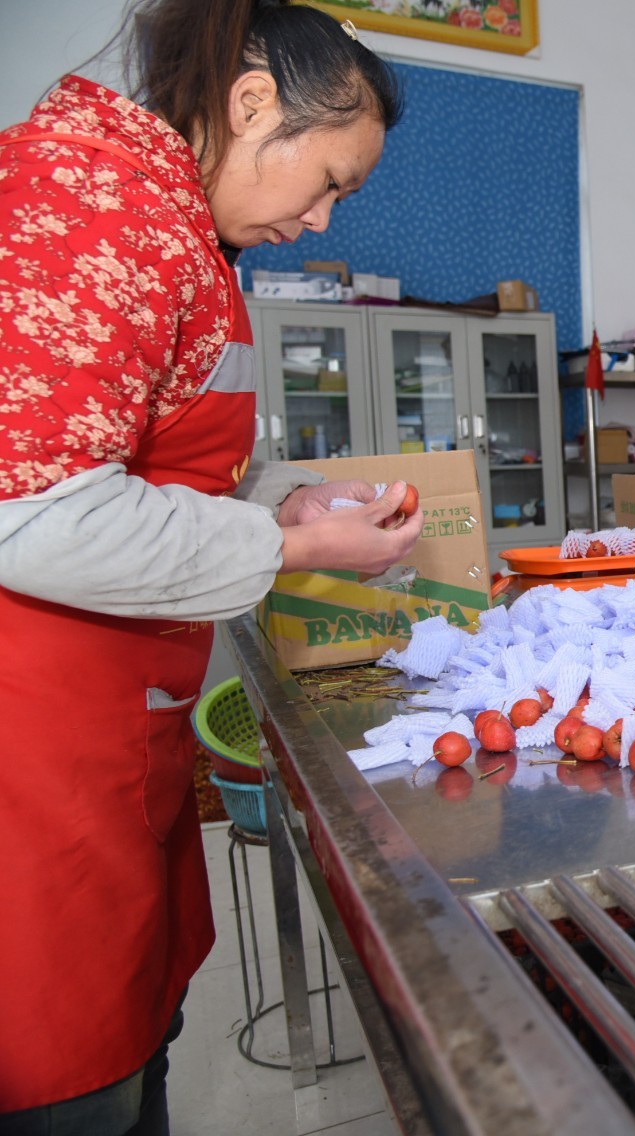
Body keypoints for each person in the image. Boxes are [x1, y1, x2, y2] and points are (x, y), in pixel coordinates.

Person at [0, 2, 419, 1130]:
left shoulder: (176, 226)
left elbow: (163, 462)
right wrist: (291, 546)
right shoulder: (90, 209)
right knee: (67, 1078)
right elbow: (32, 514)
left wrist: (292, 496)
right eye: (326, 178)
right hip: (32, 770)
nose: (321, 216)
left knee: (131, 1050)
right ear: (248, 106)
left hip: (110, 734)